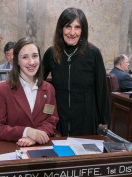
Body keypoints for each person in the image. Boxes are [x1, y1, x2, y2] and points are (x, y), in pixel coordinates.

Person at [42, 7, 110, 137]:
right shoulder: (51, 53)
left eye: (77, 27)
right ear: (61, 28)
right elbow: (37, 83)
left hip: (86, 121)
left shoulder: (93, 53)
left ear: (82, 30)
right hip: (58, 121)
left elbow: (102, 90)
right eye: (68, 26)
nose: (72, 32)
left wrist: (104, 121)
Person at [0, 37, 59, 147]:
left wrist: (37, 136)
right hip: (11, 150)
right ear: (17, 61)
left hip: (42, 150)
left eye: (35, 56)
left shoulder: (49, 89)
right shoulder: (2, 90)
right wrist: (27, 132)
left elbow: (51, 120)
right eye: (25, 57)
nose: (31, 62)